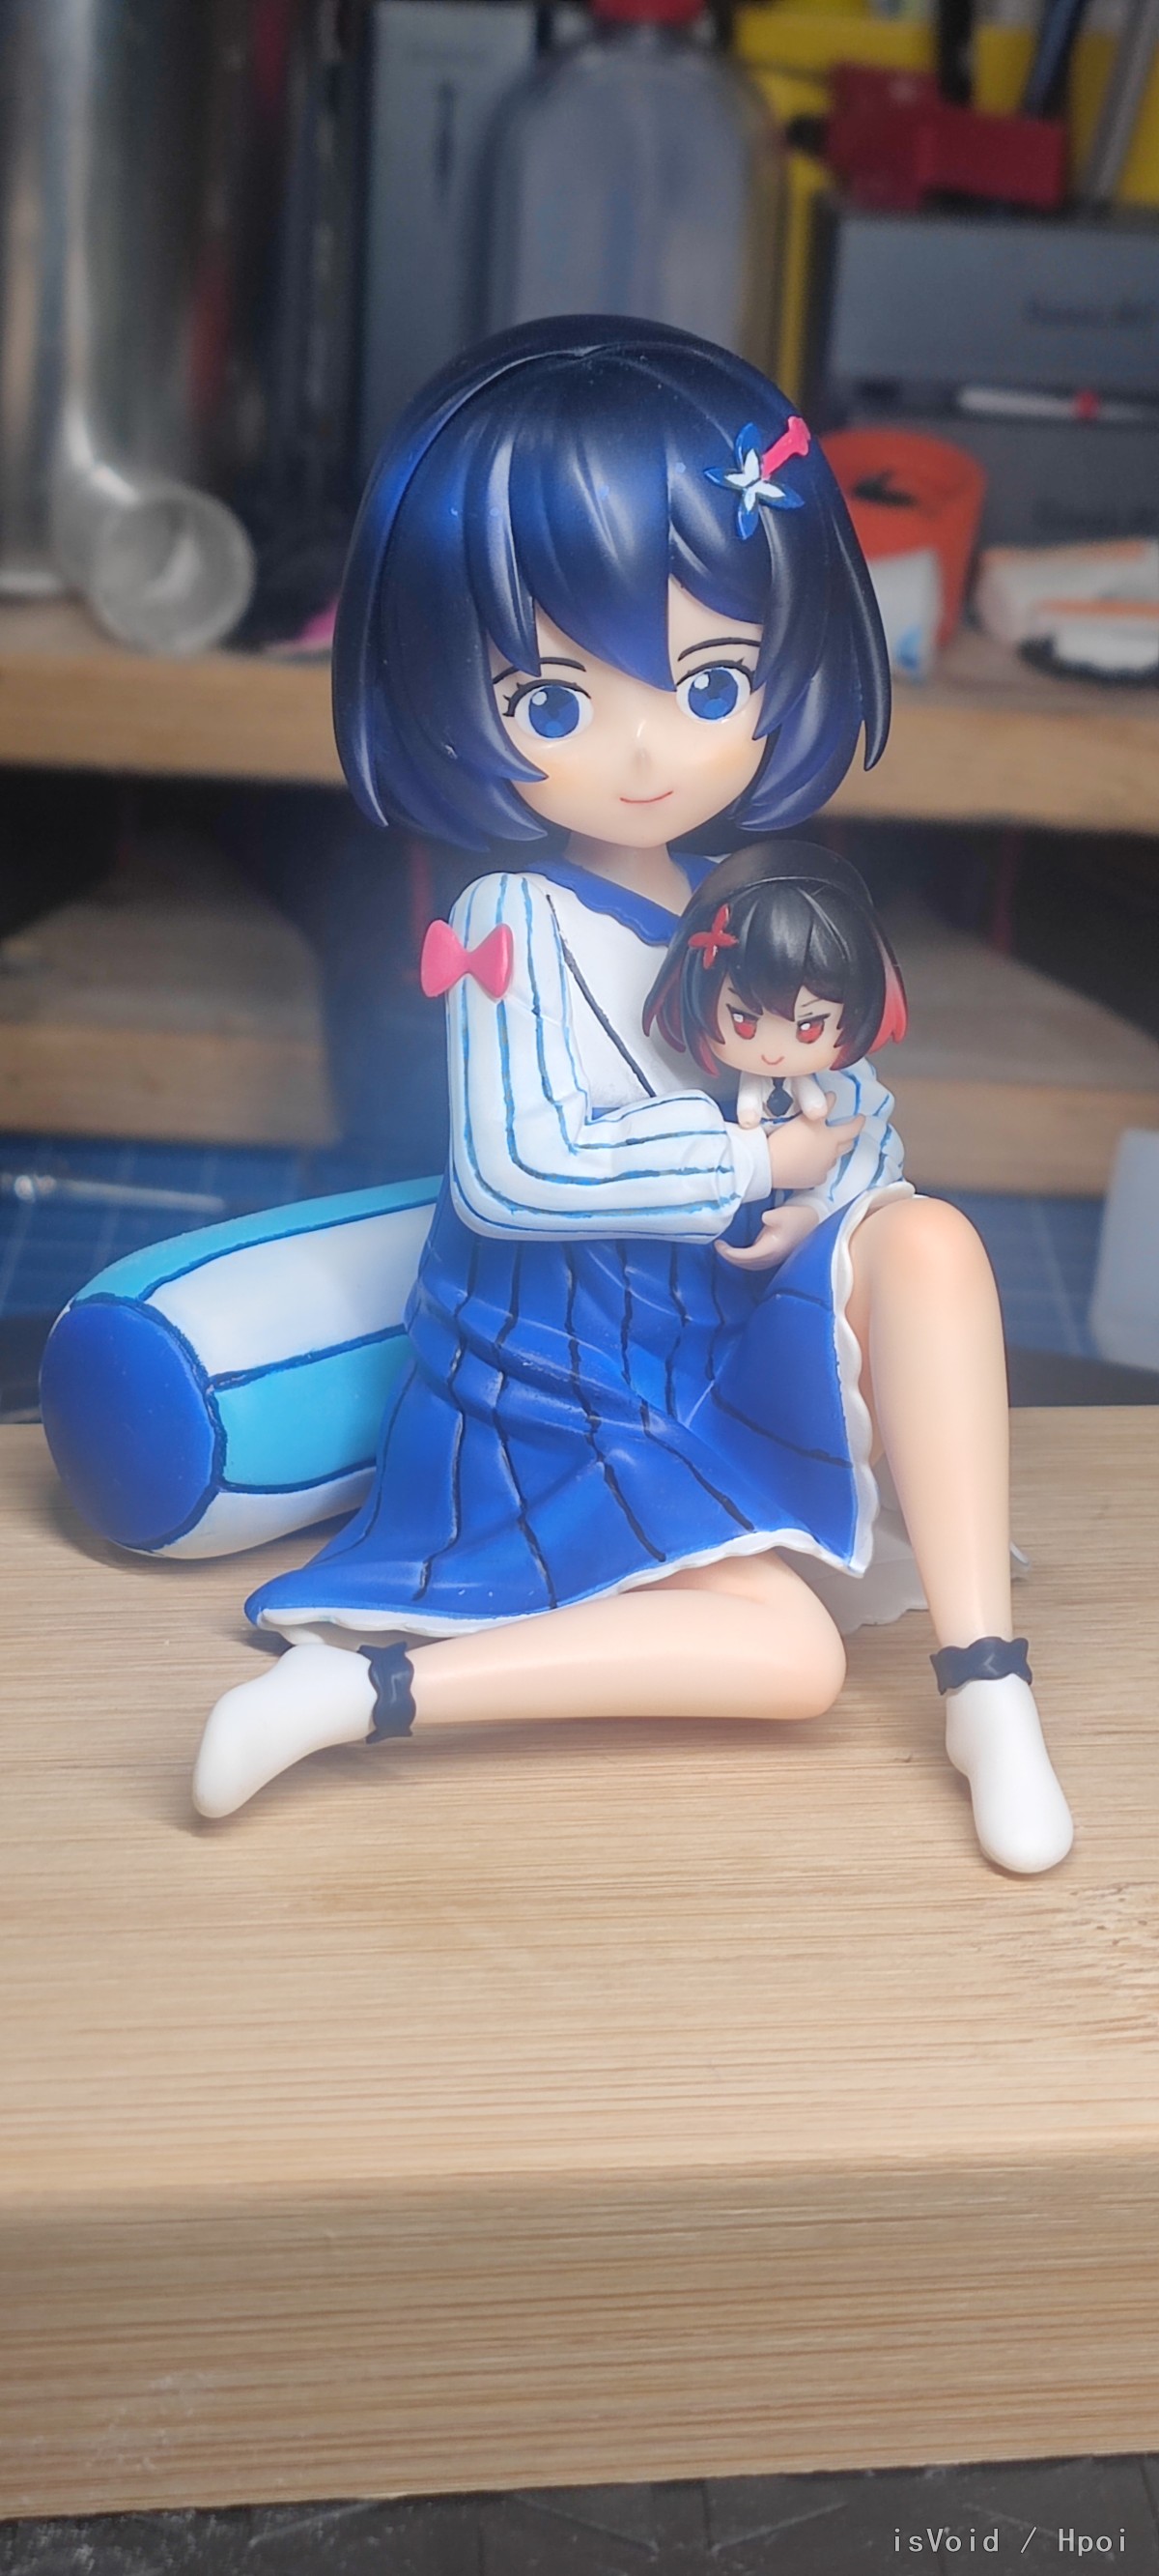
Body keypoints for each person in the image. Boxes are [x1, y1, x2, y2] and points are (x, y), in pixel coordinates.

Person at [192, 317, 1073, 1875]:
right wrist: (747, 1163)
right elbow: (514, 1170)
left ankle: (984, 1674)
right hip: (558, 1391)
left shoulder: (738, 898)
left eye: (712, 677)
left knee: (930, 1237)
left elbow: (844, 1096)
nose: (649, 747)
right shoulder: (513, 922)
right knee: (792, 1658)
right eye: (555, 700)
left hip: (709, 1338)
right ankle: (369, 1694)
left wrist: (831, 1168)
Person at [643, 839, 908, 1272]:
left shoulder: (843, 1084)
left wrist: (816, 1209)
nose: (772, 1052)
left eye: (809, 1027)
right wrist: (756, 1160)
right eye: (744, 1021)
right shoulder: (681, 1093)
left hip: (799, 1256)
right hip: (682, 1261)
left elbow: (872, 1146)